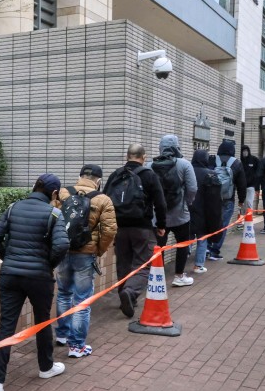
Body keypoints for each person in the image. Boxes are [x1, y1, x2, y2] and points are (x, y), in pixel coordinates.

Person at [0, 174, 70, 391]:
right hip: (39, 277)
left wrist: (8, 257)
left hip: (10, 275)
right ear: (54, 194)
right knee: (43, 321)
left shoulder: (13, 208)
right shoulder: (54, 213)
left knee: (6, 325)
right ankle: (45, 368)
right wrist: (47, 264)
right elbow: (62, 244)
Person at [55, 165, 116, 358]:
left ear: (80, 176)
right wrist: (99, 249)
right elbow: (109, 230)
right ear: (98, 180)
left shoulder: (63, 193)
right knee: (82, 300)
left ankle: (62, 335)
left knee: (64, 293)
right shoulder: (103, 199)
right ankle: (77, 346)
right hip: (85, 253)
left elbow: (53, 220)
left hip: (63, 250)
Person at [104, 144, 167, 319]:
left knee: (123, 262)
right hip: (142, 227)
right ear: (143, 157)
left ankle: (124, 293)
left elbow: (104, 199)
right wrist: (161, 225)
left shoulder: (116, 175)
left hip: (120, 228)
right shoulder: (149, 175)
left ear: (127, 156)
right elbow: (160, 203)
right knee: (144, 263)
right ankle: (130, 293)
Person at [146, 135, 197, 287]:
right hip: (180, 215)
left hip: (158, 217)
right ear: (177, 146)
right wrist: (187, 203)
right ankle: (179, 276)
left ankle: (157, 276)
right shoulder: (184, 164)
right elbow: (193, 188)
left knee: (158, 247)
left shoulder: (150, 166)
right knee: (182, 244)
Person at [205, 141, 248, 260]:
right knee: (223, 225)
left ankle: (207, 247)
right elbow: (242, 183)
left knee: (210, 222)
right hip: (228, 198)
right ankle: (215, 251)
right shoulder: (236, 163)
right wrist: (241, 199)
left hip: (212, 198)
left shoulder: (212, 160)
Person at [188, 150, 223, 274]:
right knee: (202, 238)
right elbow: (214, 197)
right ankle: (198, 265)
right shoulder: (209, 174)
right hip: (203, 210)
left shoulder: (188, 170)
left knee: (189, 236)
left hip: (188, 209)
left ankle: (184, 256)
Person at [240, 145, 261, 214]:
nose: (245, 152)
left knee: (249, 202)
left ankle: (249, 219)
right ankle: (241, 219)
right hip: (241, 186)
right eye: (243, 151)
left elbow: (258, 173)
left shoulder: (254, 160)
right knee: (242, 203)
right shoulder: (240, 161)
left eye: (246, 151)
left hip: (251, 185)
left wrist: (257, 187)